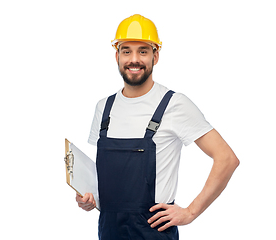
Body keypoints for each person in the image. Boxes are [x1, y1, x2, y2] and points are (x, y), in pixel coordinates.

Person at [76, 14, 239, 240]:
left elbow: (227, 159)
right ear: (117, 56)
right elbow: (108, 179)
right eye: (126, 51)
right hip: (108, 231)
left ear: (156, 56)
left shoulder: (174, 104)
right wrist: (90, 198)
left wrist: (191, 212)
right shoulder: (104, 108)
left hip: (153, 232)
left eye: (143, 51)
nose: (134, 59)